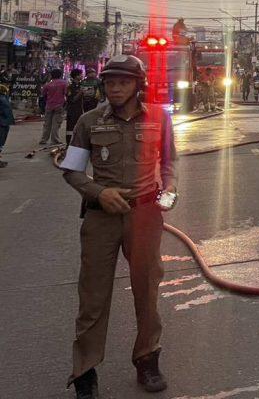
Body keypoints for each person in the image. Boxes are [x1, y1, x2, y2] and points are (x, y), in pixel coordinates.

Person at [58, 54, 177, 398]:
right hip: (100, 218)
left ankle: (147, 360)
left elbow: (169, 163)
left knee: (147, 289)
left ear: (138, 85)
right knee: (93, 296)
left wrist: (169, 190)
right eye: (110, 82)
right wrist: (98, 192)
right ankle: (85, 371)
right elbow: (72, 170)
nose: (116, 88)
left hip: (145, 217)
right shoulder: (88, 121)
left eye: (123, 82)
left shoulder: (159, 119)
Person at [39, 68, 68, 147]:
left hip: (49, 105)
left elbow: (43, 94)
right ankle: (55, 140)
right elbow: (66, 94)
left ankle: (43, 139)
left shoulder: (48, 84)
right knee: (56, 124)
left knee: (47, 124)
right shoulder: (64, 83)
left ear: (51, 75)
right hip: (59, 106)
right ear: (60, 75)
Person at [65, 68, 85, 146]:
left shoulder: (81, 85)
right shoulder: (70, 87)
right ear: (76, 76)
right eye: (80, 74)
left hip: (79, 110)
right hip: (72, 111)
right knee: (70, 128)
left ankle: (77, 143)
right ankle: (69, 144)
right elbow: (72, 100)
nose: (82, 76)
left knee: (79, 127)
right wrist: (80, 93)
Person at [0, 83, 13, 167]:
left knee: (1, 142)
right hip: (2, 122)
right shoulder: (2, 98)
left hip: (5, 122)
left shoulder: (4, 97)